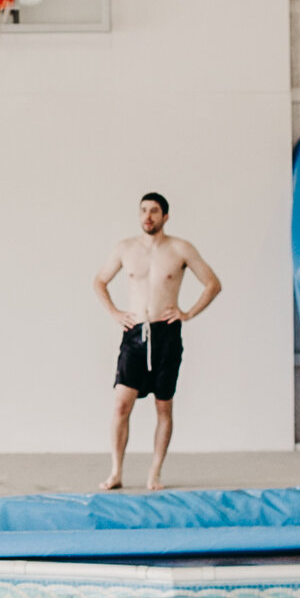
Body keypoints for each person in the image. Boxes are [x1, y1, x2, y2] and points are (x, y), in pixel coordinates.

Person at [89, 193, 222, 491]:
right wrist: (114, 312)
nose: (148, 216)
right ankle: (116, 472)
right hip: (135, 334)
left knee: (164, 408)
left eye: (154, 211)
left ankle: (155, 473)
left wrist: (187, 313)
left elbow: (213, 284)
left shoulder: (180, 248)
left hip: (166, 335)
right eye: (143, 211)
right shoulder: (125, 248)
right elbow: (99, 280)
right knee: (122, 405)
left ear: (165, 216)